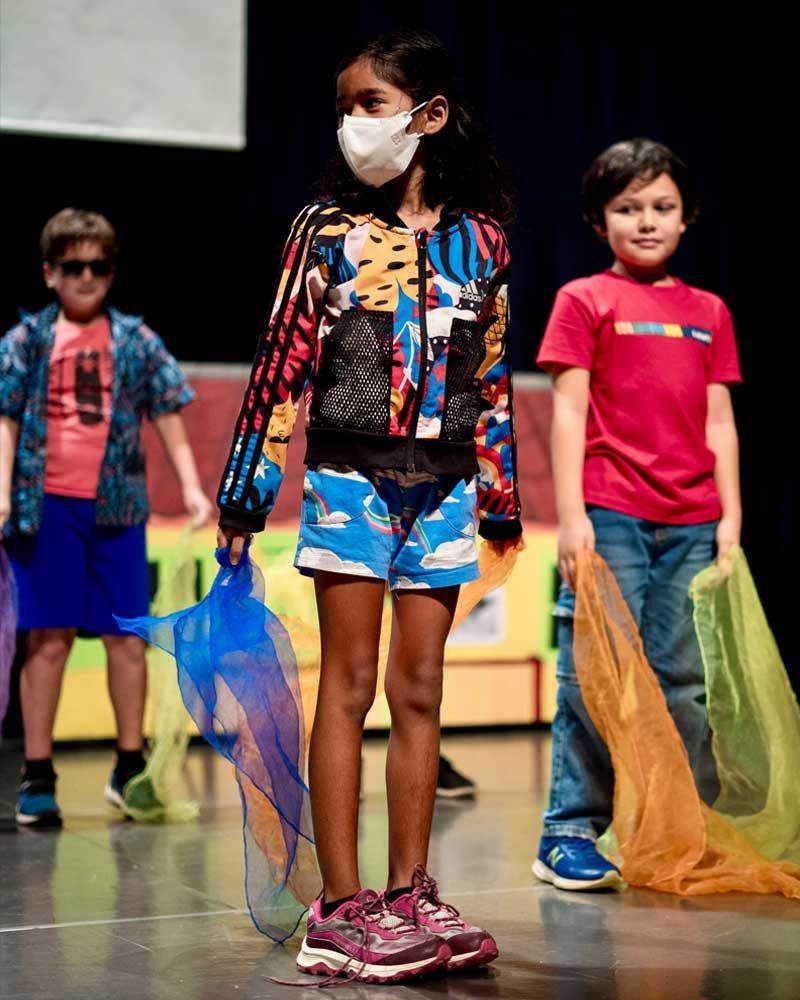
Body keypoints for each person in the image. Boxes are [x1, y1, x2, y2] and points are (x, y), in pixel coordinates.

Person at [216, 29, 521, 983]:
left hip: (445, 487)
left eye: (372, 104)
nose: (354, 123)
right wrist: (243, 491)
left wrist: (503, 495)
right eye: (345, 105)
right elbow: (280, 361)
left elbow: (495, 373)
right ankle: (340, 908)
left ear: (428, 117)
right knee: (347, 684)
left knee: (421, 690)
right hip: (350, 479)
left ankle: (410, 891)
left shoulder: (484, 241)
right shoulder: (323, 230)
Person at [533, 139, 742, 890]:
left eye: (662, 207)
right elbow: (567, 413)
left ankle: (670, 823)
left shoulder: (709, 311)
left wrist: (732, 515)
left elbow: (719, 420)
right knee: (595, 672)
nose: (646, 222)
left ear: (687, 218)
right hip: (611, 509)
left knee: (682, 680)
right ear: (600, 220)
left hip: (692, 519)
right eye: (628, 208)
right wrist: (572, 515)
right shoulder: (584, 299)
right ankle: (568, 829)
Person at [0, 208, 212, 829]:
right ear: (49, 272)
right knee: (48, 639)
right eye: (74, 266)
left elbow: (169, 412)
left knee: (127, 639)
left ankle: (129, 767)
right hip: (47, 509)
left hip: (117, 510)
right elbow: (6, 418)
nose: (87, 277)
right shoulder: (26, 341)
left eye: (99, 266)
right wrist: (3, 493)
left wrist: (194, 489)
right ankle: (37, 772)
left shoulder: (135, 339)